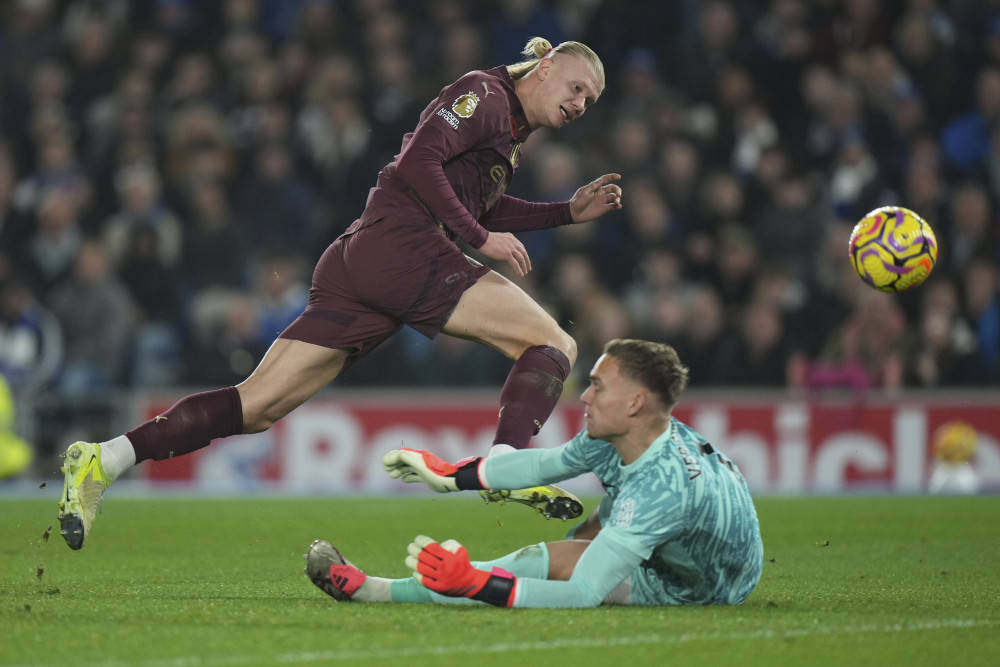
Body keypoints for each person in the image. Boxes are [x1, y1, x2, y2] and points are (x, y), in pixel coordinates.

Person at [57, 36, 623, 550]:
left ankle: (103, 460)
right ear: (546, 67)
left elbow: (482, 203)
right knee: (552, 343)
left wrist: (565, 213)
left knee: (255, 406)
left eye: (589, 102)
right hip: (401, 245)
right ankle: (506, 464)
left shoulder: (509, 132)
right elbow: (418, 162)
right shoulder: (485, 94)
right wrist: (479, 239)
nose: (578, 105)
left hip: (363, 259)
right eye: (576, 88)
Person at [305, 339, 764, 608]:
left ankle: (373, 591)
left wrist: (477, 584)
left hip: (705, 585)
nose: (583, 396)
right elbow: (543, 464)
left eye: (597, 386)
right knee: (582, 537)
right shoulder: (626, 434)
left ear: (635, 403)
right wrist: (450, 474)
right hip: (681, 529)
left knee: (561, 562)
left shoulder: (661, 490)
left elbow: (585, 591)